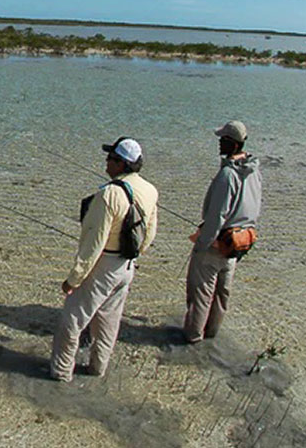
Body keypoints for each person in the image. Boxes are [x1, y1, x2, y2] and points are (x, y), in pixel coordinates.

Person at [50, 137, 159, 382]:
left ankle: (60, 374)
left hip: (104, 266)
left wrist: (73, 280)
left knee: (72, 321)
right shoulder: (151, 190)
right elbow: (149, 233)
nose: (106, 161)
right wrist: (133, 256)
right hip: (127, 266)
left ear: (121, 164)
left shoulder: (109, 195)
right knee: (108, 322)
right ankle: (97, 368)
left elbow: (94, 244)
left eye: (110, 158)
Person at [183, 120, 263, 344]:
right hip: (237, 244)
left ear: (231, 143)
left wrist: (202, 244)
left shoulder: (227, 175)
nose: (219, 143)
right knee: (221, 296)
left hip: (216, 245)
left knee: (200, 295)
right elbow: (256, 207)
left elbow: (216, 216)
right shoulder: (255, 171)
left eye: (222, 140)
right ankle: (212, 336)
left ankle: (192, 339)